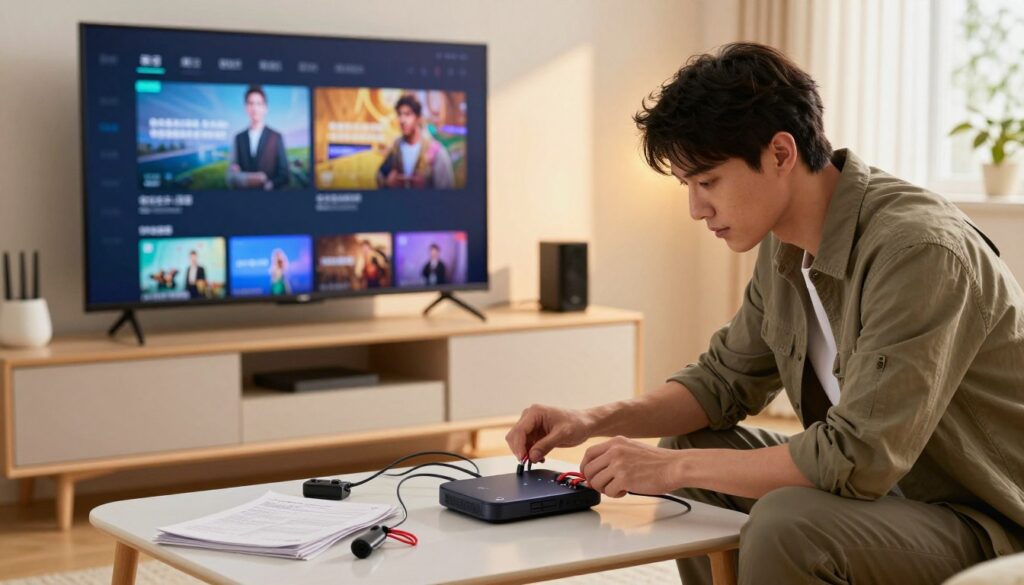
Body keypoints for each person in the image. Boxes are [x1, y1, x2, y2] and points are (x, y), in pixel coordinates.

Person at [505, 43, 1024, 585]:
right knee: (692, 442)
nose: (696, 208)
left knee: (785, 523)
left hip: (984, 517)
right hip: (892, 494)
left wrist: (669, 470)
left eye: (707, 182)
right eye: (688, 186)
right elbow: (719, 385)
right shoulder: (784, 247)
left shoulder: (918, 252)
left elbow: (859, 457)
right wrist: (590, 420)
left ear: (781, 153)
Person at [376, 94, 455, 189]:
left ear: (418, 118)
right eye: (399, 114)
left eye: (407, 114)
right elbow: (379, 175)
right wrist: (387, 182)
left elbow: (447, 190)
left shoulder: (435, 151)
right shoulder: (396, 148)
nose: (402, 120)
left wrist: (426, 188)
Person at [227, 85, 290, 190]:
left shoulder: (276, 136)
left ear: (265, 108)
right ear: (246, 108)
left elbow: (285, 175)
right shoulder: (238, 138)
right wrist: (249, 178)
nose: (254, 108)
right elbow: (231, 175)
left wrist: (269, 184)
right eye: (251, 103)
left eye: (259, 103)